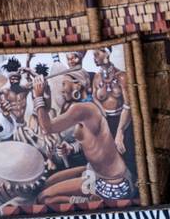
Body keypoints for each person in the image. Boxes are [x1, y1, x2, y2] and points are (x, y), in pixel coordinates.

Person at [31, 72, 134, 204]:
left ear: (77, 85)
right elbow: (92, 142)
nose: (62, 89)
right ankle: (88, 196)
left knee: (43, 198)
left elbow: (47, 128)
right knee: (47, 183)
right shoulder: (85, 108)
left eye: (64, 83)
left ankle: (88, 201)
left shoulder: (83, 109)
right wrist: (71, 148)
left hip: (111, 183)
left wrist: (38, 96)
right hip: (94, 171)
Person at [88, 49, 132, 158]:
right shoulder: (97, 78)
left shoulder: (122, 77)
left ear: (106, 53)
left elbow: (128, 106)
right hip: (105, 122)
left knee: (125, 154)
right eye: (93, 55)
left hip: (123, 121)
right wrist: (102, 116)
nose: (94, 57)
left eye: (97, 54)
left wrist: (120, 132)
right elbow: (94, 99)